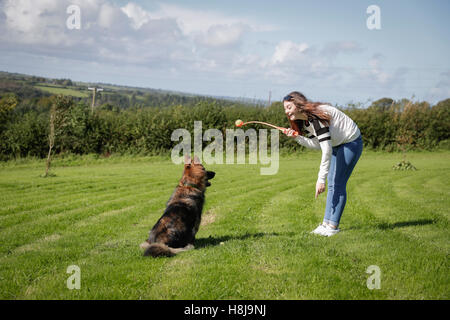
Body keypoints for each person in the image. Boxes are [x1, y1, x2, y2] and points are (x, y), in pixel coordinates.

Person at [282, 91, 363, 237]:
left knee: (337, 184)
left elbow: (326, 149)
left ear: (298, 104)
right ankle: (326, 224)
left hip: (351, 142)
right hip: (337, 144)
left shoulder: (315, 117)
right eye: (285, 109)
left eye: (289, 107)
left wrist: (320, 179)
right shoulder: (305, 122)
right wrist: (297, 137)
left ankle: (333, 227)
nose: (287, 112)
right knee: (332, 183)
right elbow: (318, 144)